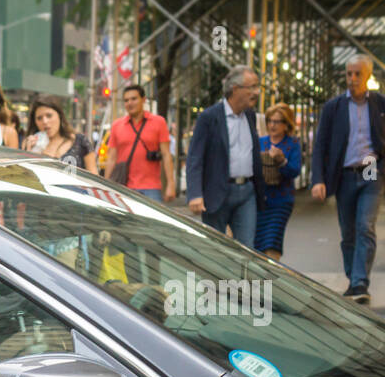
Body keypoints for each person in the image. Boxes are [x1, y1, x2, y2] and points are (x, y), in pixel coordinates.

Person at [309, 54, 385, 305]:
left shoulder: (384, 105)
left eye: (358, 74)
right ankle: (353, 280)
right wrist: (318, 179)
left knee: (365, 226)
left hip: (371, 169)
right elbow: (321, 146)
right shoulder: (334, 107)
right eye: (349, 73)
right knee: (348, 232)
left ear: (368, 76)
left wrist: (382, 170)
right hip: (345, 174)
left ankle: (361, 282)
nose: (352, 79)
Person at [186, 66, 266, 248]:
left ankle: (241, 279)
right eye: (252, 87)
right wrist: (195, 194)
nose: (256, 92)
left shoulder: (250, 117)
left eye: (257, 87)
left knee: (247, 249)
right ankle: (216, 279)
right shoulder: (209, 117)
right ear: (235, 89)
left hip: (247, 192)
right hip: (217, 193)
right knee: (216, 248)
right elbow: (195, 157)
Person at [103, 84, 174, 201]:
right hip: (123, 187)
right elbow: (111, 158)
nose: (130, 103)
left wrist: (171, 184)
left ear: (143, 100)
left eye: (134, 99)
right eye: (126, 100)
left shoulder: (159, 122)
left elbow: (166, 155)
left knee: (152, 219)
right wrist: (105, 186)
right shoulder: (117, 125)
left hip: (151, 188)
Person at [254, 103, 302, 261]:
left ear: (286, 124)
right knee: (257, 244)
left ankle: (270, 281)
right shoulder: (260, 142)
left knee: (271, 241)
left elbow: (294, 171)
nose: (272, 125)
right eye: (270, 121)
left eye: (277, 122)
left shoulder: (292, 144)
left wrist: (281, 161)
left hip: (281, 201)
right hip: (260, 201)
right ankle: (259, 281)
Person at [23, 94, 96, 172]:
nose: (45, 121)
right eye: (39, 118)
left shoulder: (80, 141)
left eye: (49, 115)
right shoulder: (30, 144)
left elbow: (93, 177)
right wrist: (30, 153)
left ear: (59, 116)